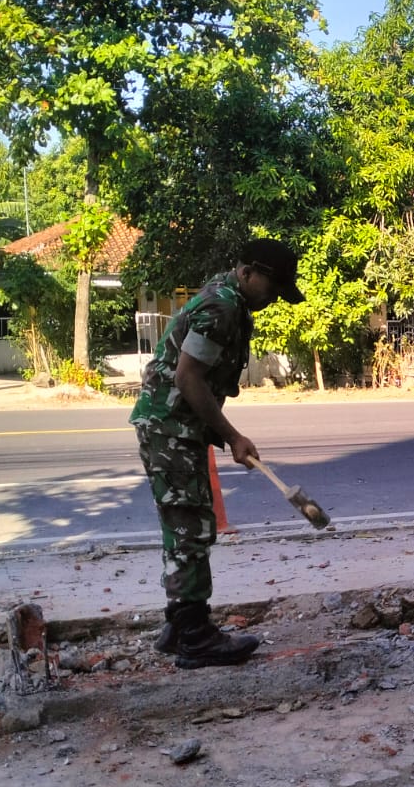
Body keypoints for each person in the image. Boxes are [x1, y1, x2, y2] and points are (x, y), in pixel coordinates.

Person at [129, 237, 304, 669]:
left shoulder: (226, 296)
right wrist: (232, 434)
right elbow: (189, 379)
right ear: (248, 273)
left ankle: (179, 623)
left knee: (185, 523)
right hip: (172, 427)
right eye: (272, 286)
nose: (274, 298)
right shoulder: (223, 308)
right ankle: (195, 636)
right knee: (190, 526)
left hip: (173, 425)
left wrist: (221, 435)